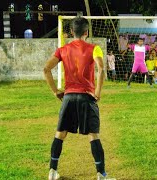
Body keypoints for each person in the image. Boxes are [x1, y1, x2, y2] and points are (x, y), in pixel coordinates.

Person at [43, 17, 115, 180]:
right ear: (86, 32)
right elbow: (101, 70)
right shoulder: (94, 48)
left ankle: (52, 171)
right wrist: (97, 92)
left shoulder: (63, 49)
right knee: (93, 135)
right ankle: (102, 175)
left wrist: (56, 91)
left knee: (60, 134)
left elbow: (46, 69)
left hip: (68, 97)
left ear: (71, 32)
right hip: (86, 97)